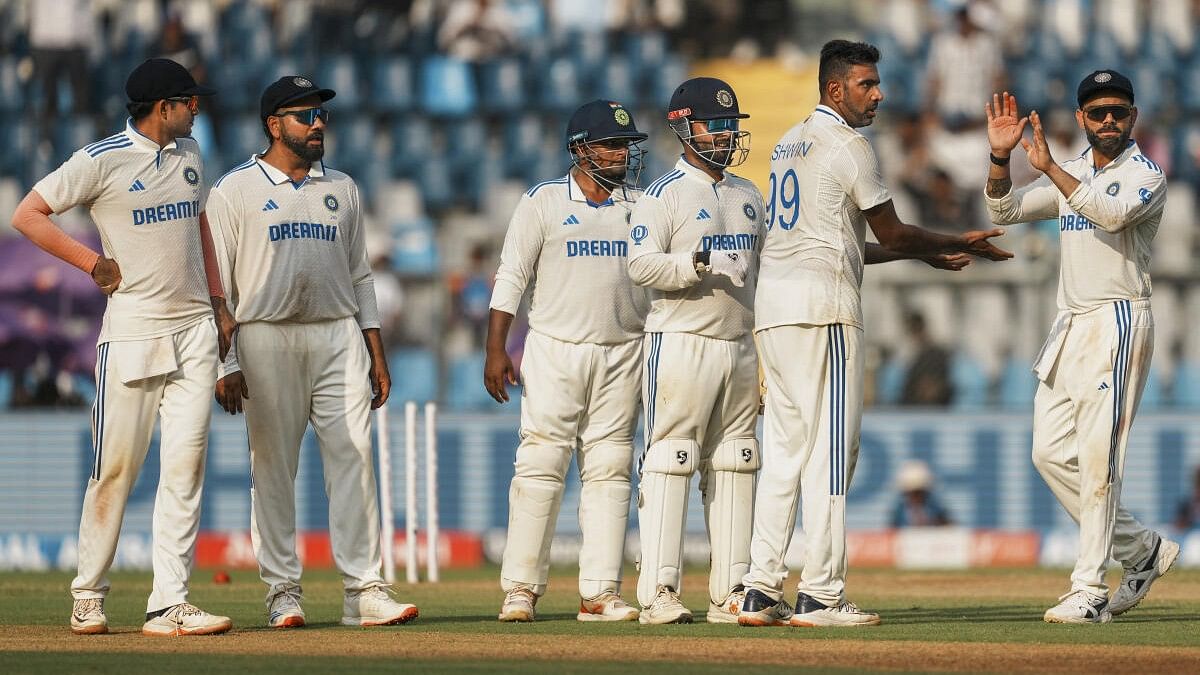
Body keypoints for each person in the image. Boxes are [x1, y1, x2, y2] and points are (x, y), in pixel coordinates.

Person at [738, 39, 1011, 629]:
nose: (879, 94)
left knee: (784, 452)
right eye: (867, 84)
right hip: (825, 311)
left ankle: (759, 590)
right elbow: (893, 230)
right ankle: (821, 595)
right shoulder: (849, 145)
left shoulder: (789, 143)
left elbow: (840, 241)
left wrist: (923, 256)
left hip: (776, 311)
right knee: (833, 451)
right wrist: (951, 241)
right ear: (835, 89)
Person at [10, 58, 233, 636]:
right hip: (133, 332)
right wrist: (91, 262)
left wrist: (218, 302)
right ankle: (88, 594)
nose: (196, 107)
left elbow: (201, 229)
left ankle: (168, 604)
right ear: (164, 108)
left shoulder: (191, 157)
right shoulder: (101, 158)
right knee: (116, 470)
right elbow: (27, 214)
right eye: (189, 100)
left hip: (194, 333)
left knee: (186, 470)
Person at [205, 76, 418, 629]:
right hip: (264, 334)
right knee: (274, 467)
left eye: (321, 114)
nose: (319, 123)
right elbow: (218, 288)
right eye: (305, 116)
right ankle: (283, 592)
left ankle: (364, 590)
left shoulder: (342, 188)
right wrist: (225, 362)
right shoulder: (235, 190)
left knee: (354, 457)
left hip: (336, 334)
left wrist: (376, 349)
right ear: (274, 125)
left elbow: (360, 274)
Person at [984, 72, 1178, 623]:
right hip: (1070, 325)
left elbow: (1110, 213)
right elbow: (1003, 212)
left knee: (1099, 460)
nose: (1108, 120)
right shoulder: (1067, 173)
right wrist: (1001, 159)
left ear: (1133, 118)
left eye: (1118, 111)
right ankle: (1141, 550)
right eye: (1097, 113)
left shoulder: (1147, 174)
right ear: (1082, 120)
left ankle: (1090, 590)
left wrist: (1047, 168)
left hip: (1119, 321)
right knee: (1047, 453)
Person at [485, 99, 649, 623]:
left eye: (625, 144)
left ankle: (600, 592)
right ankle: (521, 590)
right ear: (579, 149)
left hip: (623, 349)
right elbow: (512, 275)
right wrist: (496, 348)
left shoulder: (640, 206)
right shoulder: (544, 202)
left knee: (610, 469)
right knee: (540, 466)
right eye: (610, 144)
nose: (621, 154)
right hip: (556, 348)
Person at [626, 76, 764, 625]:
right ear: (683, 127)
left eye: (733, 125)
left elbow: (768, 271)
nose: (727, 135)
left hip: (739, 341)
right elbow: (639, 266)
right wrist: (697, 264)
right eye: (717, 125)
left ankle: (731, 590)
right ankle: (658, 590)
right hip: (680, 339)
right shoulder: (662, 193)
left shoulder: (749, 194)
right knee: (671, 458)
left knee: (737, 461)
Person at [890, 460, 953, 527]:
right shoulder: (900, 512)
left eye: (918, 492)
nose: (916, 497)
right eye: (912, 493)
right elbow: (892, 530)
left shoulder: (934, 508)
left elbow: (949, 527)